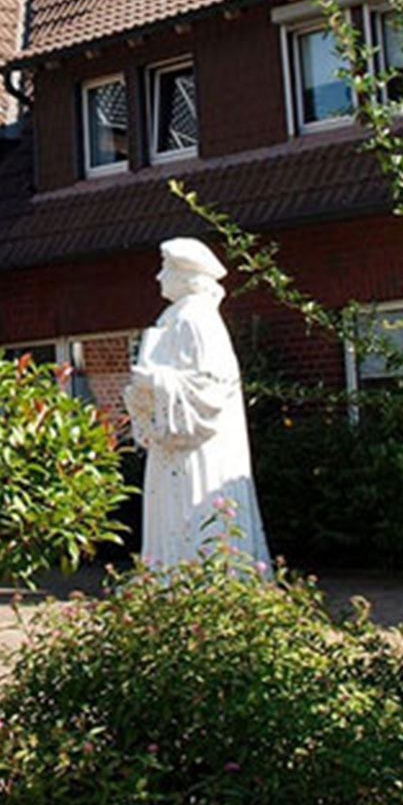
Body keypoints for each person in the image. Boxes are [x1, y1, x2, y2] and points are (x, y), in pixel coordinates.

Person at [123, 237, 264, 570]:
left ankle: (195, 580)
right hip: (173, 447)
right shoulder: (175, 316)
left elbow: (210, 385)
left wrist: (155, 381)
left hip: (195, 449)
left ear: (187, 275)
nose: (159, 277)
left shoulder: (195, 318)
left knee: (193, 518)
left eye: (166, 269)